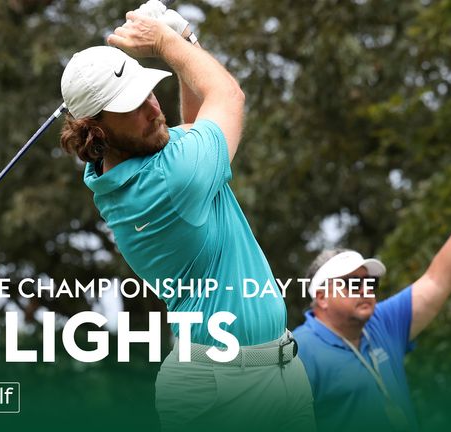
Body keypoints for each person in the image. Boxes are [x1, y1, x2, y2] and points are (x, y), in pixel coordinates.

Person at [58, 1, 314, 430]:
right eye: (133, 106)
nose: (154, 110)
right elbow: (228, 96)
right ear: (97, 130)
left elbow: (196, 129)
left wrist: (185, 45)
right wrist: (170, 41)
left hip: (268, 373)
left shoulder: (129, 164)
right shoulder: (169, 182)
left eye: (148, 93)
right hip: (227, 388)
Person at [292, 177, 451, 431]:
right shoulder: (298, 351)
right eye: (353, 284)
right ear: (322, 296)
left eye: (369, 283)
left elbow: (438, 280)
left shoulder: (381, 322)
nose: (366, 290)